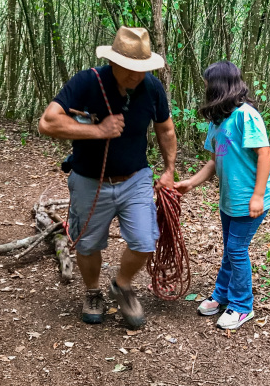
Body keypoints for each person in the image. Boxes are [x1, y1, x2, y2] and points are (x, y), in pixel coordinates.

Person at [38, 26, 177, 329]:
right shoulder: (87, 82)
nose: (136, 75)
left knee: (145, 240)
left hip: (135, 179)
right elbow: (47, 123)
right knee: (88, 245)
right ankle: (92, 293)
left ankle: (122, 284)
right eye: (129, 68)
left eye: (141, 69)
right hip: (89, 180)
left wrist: (168, 170)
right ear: (113, 61)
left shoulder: (152, 87)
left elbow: (165, 129)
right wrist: (98, 130)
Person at [174, 61, 270, 330]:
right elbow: (212, 162)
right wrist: (190, 183)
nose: (205, 89)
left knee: (236, 250)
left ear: (219, 85)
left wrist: (257, 196)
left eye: (207, 84)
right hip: (229, 199)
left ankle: (242, 306)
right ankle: (221, 295)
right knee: (231, 249)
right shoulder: (217, 121)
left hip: (250, 199)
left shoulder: (246, 115)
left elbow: (264, 154)